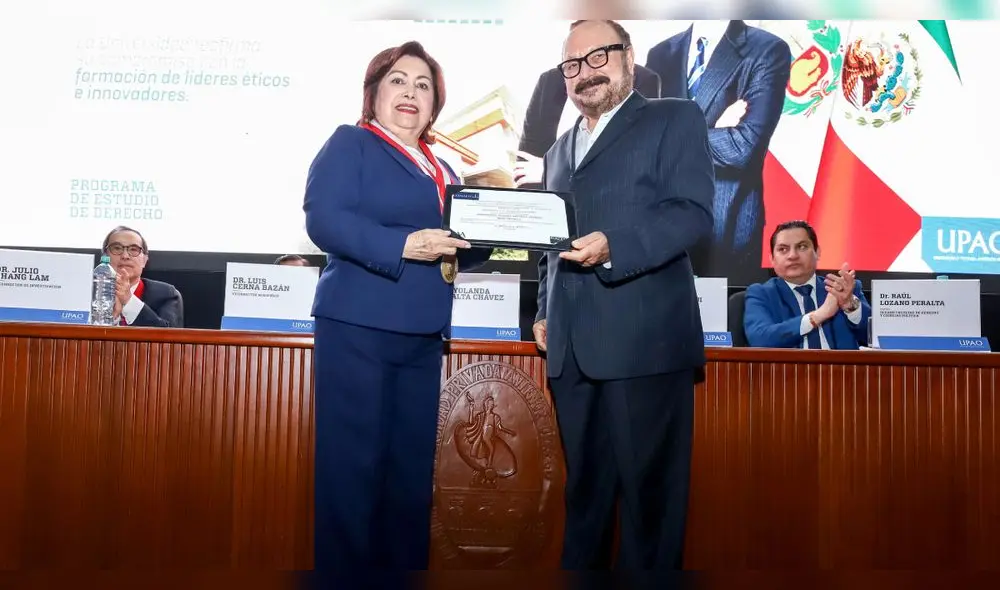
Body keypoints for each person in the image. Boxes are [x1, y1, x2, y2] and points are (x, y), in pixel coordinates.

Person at [532, 20, 715, 569]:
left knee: (649, 506)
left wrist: (615, 246)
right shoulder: (557, 152)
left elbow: (692, 213)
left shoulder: (674, 116)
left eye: (598, 57)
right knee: (584, 499)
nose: (584, 73)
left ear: (629, 57)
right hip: (571, 350)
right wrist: (544, 311)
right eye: (571, 65)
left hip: (645, 342)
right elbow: (551, 243)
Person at [303, 41, 491, 571]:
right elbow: (324, 220)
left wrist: (500, 233)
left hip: (422, 334)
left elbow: (459, 247)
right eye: (398, 81)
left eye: (423, 85)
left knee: (410, 479)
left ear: (435, 105)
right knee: (352, 473)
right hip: (358, 329)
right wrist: (403, 246)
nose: (411, 92)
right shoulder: (351, 144)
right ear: (375, 94)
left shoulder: (446, 169)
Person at [646, 20, 791, 285]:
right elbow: (644, 142)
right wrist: (705, 132)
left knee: (724, 322)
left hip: (725, 229)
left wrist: (667, 140)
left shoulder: (767, 49)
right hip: (660, 229)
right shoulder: (660, 53)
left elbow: (742, 147)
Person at [743, 220, 870, 349]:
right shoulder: (761, 294)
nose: (792, 256)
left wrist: (850, 305)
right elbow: (760, 340)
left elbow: (877, 337)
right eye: (783, 249)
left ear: (817, 252)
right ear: (772, 259)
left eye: (802, 247)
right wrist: (819, 315)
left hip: (843, 369)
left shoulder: (843, 290)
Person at [101, 225, 183, 328]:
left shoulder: (166, 294)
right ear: (104, 257)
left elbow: (169, 337)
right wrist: (112, 318)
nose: (125, 256)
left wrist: (128, 300)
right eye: (117, 248)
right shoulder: (87, 292)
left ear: (144, 260)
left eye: (133, 249)